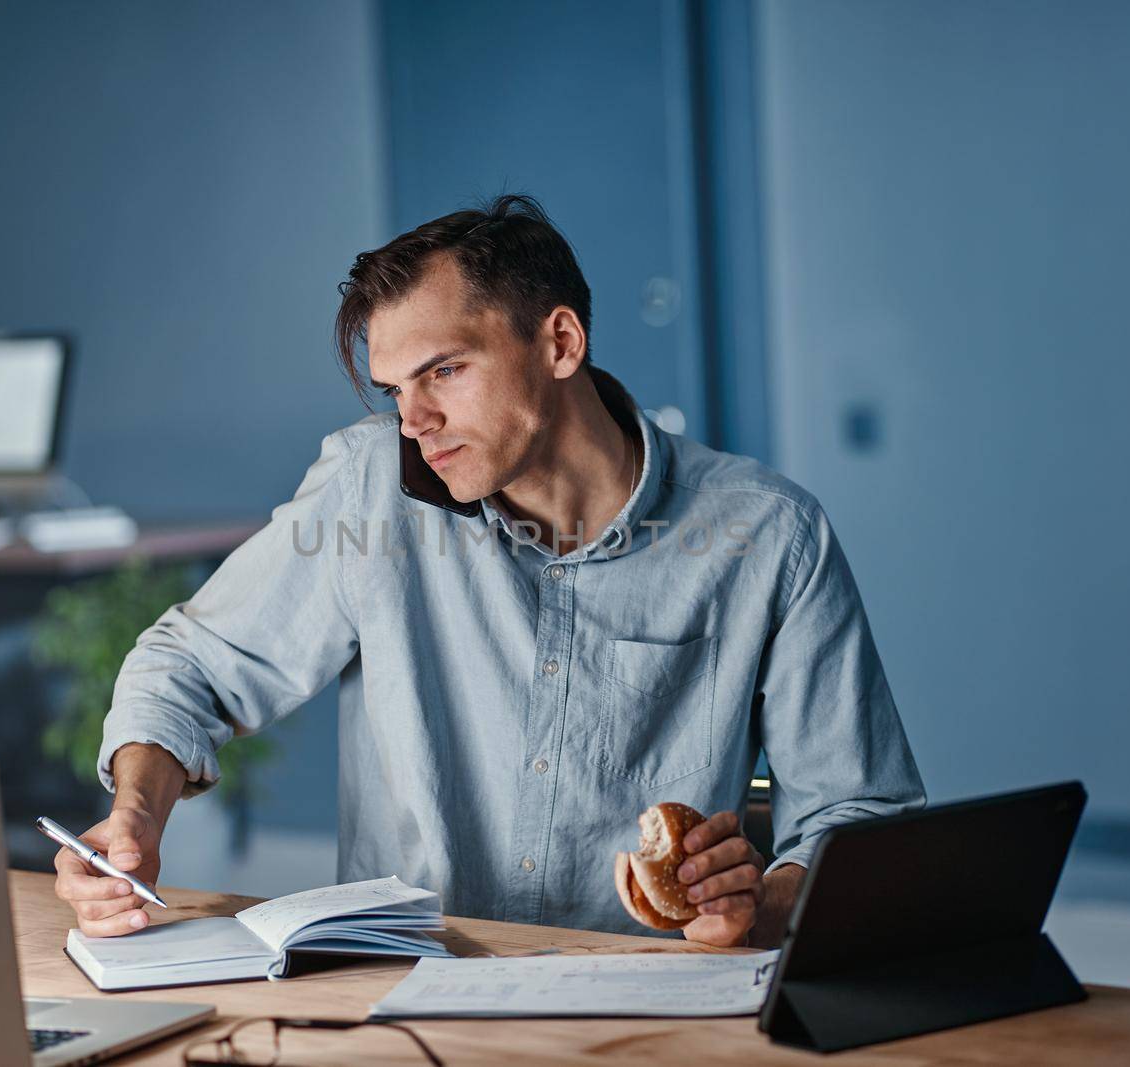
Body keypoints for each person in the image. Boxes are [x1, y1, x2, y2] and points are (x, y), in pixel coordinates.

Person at [55, 194, 924, 947]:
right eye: (395, 390)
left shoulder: (768, 535)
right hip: (405, 995)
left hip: (647, 1006)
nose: (416, 422)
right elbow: (191, 666)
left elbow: (862, 817)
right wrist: (135, 814)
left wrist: (757, 908)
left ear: (560, 341)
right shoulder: (371, 487)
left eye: (443, 371)